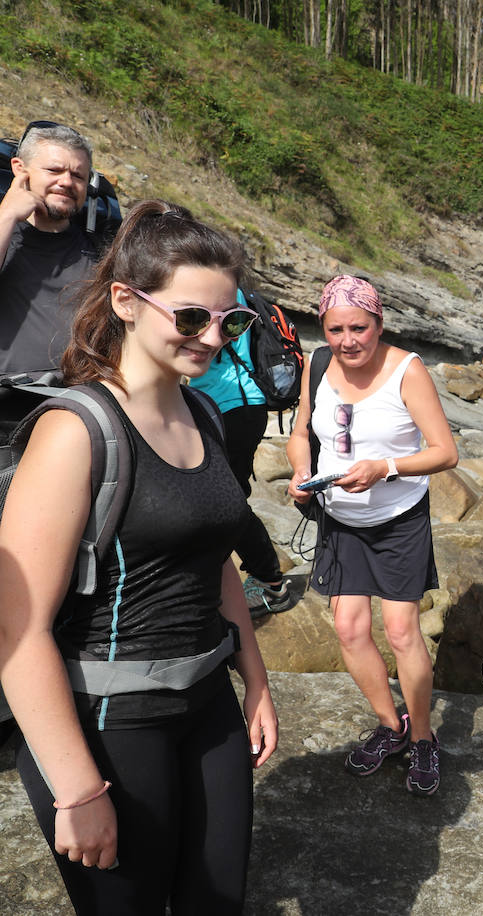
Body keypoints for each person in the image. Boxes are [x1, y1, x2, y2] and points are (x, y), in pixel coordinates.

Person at [0, 199, 278, 914]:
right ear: (126, 300)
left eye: (232, 322)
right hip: (111, 719)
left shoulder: (205, 413)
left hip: (209, 701)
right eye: (191, 317)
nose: (213, 338)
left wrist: (255, 679)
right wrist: (78, 789)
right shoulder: (74, 432)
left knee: (217, 903)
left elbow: (214, 557)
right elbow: (17, 629)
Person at [286, 275, 457, 796]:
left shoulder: (407, 370)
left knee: (403, 631)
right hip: (340, 518)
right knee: (348, 629)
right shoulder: (316, 364)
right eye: (335, 329)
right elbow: (299, 434)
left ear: (379, 324)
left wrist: (385, 468)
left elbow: (444, 452)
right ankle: (391, 725)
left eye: (359, 327)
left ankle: (424, 738)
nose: (347, 340)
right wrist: (299, 475)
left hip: (398, 518)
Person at [187, 289, 294, 616]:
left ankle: (269, 581)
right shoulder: (230, 290)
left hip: (230, 404)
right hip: (240, 405)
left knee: (224, 498)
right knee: (227, 495)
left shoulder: (220, 291)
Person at [0, 121, 102, 435]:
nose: (67, 182)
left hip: (71, 415)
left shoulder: (99, 255)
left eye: (78, 176)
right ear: (20, 169)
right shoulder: (6, 232)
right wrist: (6, 214)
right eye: (54, 170)